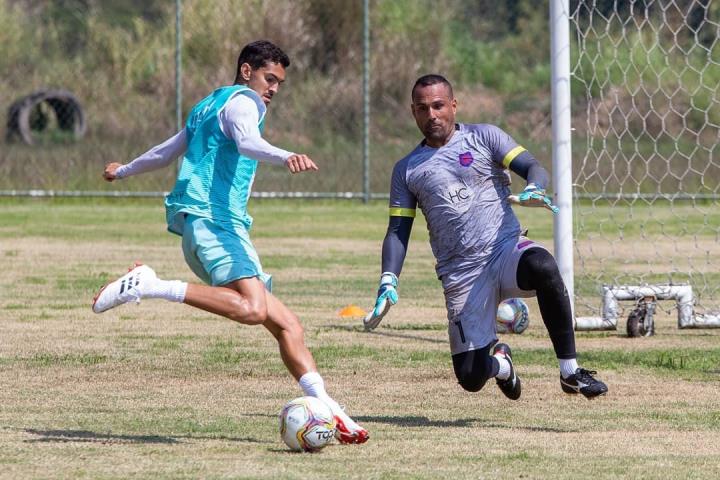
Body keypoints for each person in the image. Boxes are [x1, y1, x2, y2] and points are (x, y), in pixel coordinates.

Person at [93, 40, 369, 443]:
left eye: (279, 83)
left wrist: (124, 170)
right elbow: (247, 143)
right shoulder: (244, 102)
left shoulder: (209, 105)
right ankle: (151, 285)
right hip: (214, 223)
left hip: (206, 228)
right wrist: (285, 155)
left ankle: (332, 412)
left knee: (288, 326)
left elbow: (166, 152)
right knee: (255, 310)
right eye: (268, 78)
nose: (273, 89)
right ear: (246, 72)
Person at [363, 74, 607, 400]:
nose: (432, 114)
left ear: (453, 105)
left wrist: (535, 186)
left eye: (438, 106)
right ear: (413, 112)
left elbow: (532, 166)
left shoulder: (484, 136)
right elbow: (397, 230)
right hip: (461, 274)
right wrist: (388, 279)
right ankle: (501, 364)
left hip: (504, 249)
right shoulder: (406, 169)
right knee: (470, 377)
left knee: (544, 265)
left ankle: (570, 371)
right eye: (423, 108)